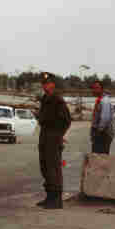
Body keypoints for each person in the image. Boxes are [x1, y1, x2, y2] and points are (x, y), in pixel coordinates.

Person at [36, 72, 72, 209]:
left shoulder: (58, 100)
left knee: (54, 167)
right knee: (44, 166)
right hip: (44, 135)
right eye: (43, 84)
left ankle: (56, 200)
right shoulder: (45, 98)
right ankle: (49, 197)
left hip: (53, 137)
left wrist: (59, 135)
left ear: (53, 84)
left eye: (47, 83)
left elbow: (67, 120)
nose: (45, 86)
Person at [89, 81, 114, 154]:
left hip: (103, 135)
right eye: (93, 88)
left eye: (96, 88)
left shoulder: (104, 101)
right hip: (101, 134)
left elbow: (105, 119)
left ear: (102, 89)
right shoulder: (100, 100)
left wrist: (97, 132)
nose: (94, 90)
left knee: (100, 159)